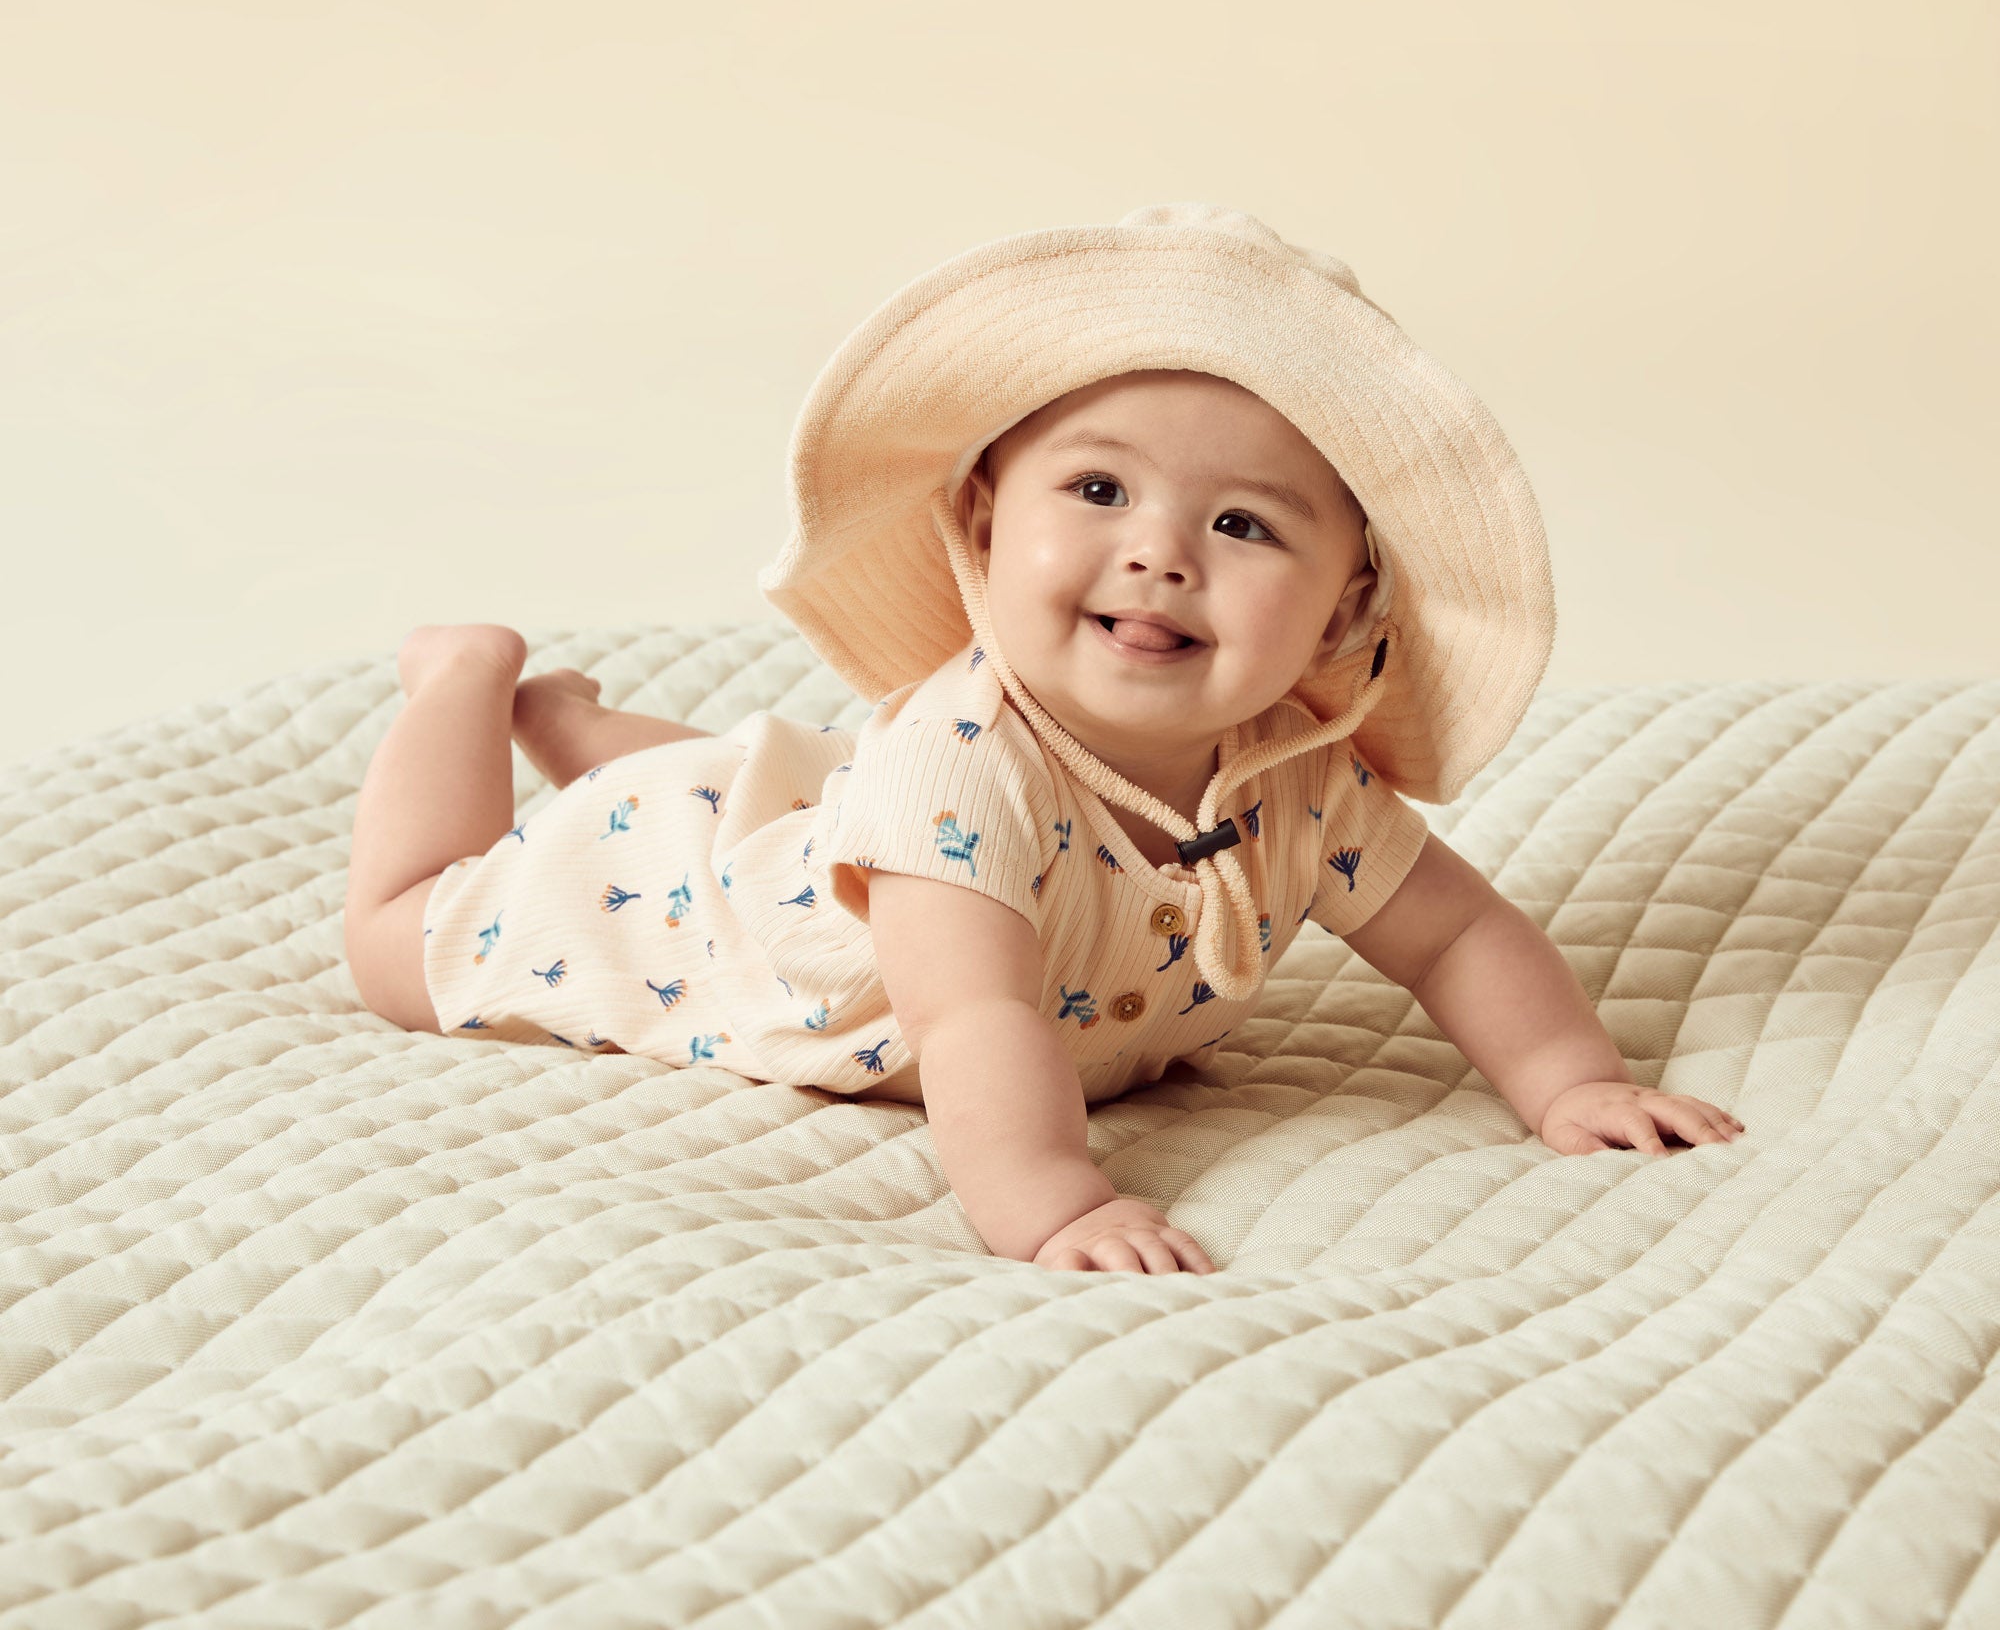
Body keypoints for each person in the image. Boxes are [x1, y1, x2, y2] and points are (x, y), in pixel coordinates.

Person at [343, 203, 1745, 1276]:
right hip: (717, 922)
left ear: (1343, 609)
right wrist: (1053, 1199)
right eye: (1096, 489)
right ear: (980, 526)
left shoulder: (1302, 782)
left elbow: (1456, 935)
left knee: (766, 781)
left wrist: (1571, 1080)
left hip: (824, 811)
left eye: (1244, 524)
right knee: (405, 946)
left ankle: (584, 726)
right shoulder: (954, 774)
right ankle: (469, 685)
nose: (1161, 554)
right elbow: (971, 1017)